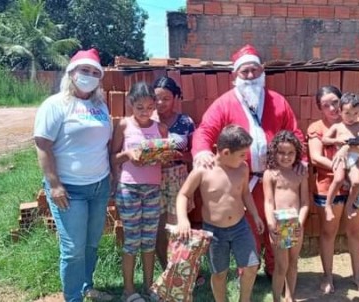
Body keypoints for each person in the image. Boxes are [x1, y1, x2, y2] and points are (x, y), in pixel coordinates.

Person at [191, 44, 305, 278]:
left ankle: (276, 272)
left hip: (275, 178)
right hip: (243, 181)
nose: (251, 76)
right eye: (245, 72)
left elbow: (295, 133)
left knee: (276, 225)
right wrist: (201, 151)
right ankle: (248, 273)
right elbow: (204, 131)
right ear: (236, 75)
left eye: (255, 70)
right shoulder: (224, 103)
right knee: (250, 229)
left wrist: (300, 159)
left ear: (262, 71)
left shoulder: (277, 101)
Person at [33, 48, 114, 302]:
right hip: (70, 189)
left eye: (94, 72)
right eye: (84, 71)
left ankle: (87, 286)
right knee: (73, 250)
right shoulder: (56, 105)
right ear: (71, 73)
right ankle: (72, 297)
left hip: (99, 186)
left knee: (91, 244)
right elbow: (42, 145)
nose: (89, 76)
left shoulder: (100, 105)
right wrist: (54, 185)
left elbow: (105, 143)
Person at [177, 125, 265, 302]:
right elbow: (183, 194)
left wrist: (255, 215)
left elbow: (245, 193)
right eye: (241, 154)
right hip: (214, 232)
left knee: (251, 266)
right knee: (219, 273)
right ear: (225, 152)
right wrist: (182, 219)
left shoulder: (242, 168)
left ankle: (244, 300)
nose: (245, 158)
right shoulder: (203, 171)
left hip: (240, 227)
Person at [307, 86, 359, 294]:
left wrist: (347, 148)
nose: (332, 108)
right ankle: (327, 276)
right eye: (326, 105)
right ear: (320, 108)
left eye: (335, 102)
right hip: (329, 184)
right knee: (328, 232)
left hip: (358, 182)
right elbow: (316, 157)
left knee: (356, 232)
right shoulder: (316, 127)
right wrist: (339, 164)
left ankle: (358, 276)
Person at [110, 82, 169, 302]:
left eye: (149, 107)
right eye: (139, 107)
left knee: (149, 241)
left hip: (153, 188)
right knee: (132, 240)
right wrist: (128, 154)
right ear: (130, 104)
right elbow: (113, 157)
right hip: (129, 189)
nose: (145, 112)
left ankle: (148, 287)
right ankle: (128, 289)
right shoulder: (124, 126)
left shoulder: (160, 128)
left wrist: (162, 155)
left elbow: (165, 155)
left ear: (154, 105)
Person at [151, 76, 196, 270]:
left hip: (178, 177)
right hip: (153, 178)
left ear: (176, 98)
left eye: (166, 98)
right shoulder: (146, 120)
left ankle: (181, 270)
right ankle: (166, 269)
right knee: (159, 228)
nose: (161, 103)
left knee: (178, 226)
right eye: (157, 98)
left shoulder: (185, 122)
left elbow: (195, 154)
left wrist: (176, 155)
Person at [263, 131, 309, 302]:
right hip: (278, 226)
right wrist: (270, 224)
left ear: (297, 153)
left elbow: (304, 202)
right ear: (274, 153)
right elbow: (268, 201)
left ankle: (290, 296)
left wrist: (300, 223)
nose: (286, 157)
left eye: (290, 153)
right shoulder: (271, 174)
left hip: (296, 225)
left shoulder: (300, 173)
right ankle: (276, 298)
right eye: (281, 152)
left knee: (294, 262)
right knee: (281, 266)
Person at [321, 93, 359, 221]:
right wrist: (336, 140)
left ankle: (350, 204)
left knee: (357, 181)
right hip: (341, 158)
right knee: (338, 179)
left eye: (356, 113)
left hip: (355, 158)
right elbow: (324, 139)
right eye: (348, 113)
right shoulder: (337, 127)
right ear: (340, 111)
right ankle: (328, 205)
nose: (352, 117)